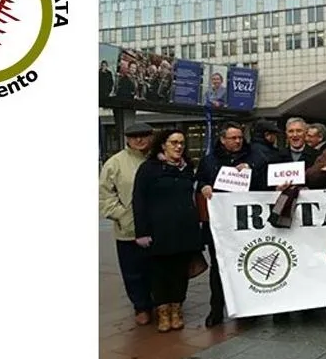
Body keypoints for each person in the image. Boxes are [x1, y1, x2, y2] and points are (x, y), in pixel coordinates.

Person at [132, 129, 204, 333]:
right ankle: (163, 312)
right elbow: (139, 201)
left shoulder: (187, 168)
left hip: (184, 230)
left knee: (180, 273)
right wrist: (142, 232)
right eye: (173, 142)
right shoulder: (148, 169)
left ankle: (176, 310)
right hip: (159, 231)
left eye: (181, 142)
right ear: (163, 145)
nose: (178, 146)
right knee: (159, 274)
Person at [196, 122, 261, 327]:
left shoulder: (253, 157)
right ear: (223, 139)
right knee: (219, 267)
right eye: (233, 138)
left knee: (246, 264)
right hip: (220, 225)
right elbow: (200, 181)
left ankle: (247, 309)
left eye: (240, 137)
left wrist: (252, 170)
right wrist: (204, 186)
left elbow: (264, 183)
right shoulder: (209, 160)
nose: (238, 141)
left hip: (245, 223)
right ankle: (216, 309)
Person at [98, 123, 154, 326]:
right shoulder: (115, 163)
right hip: (128, 228)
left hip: (157, 226)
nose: (139, 140)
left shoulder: (158, 158)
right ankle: (141, 306)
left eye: (143, 136)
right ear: (127, 139)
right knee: (133, 270)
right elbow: (105, 195)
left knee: (157, 268)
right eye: (134, 136)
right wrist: (122, 215)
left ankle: (159, 302)